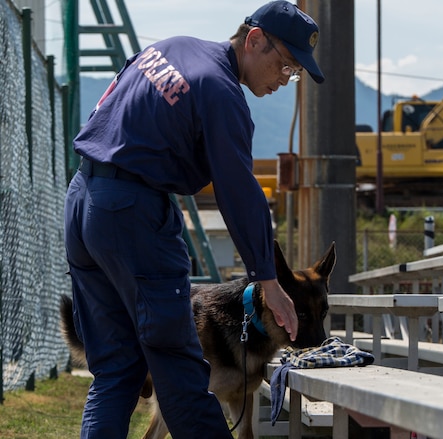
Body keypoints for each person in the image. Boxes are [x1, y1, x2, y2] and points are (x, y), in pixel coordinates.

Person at [63, 1, 324, 437]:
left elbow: (111, 105)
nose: (285, 79)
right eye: (285, 64)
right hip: (133, 212)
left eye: (294, 72)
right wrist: (268, 280)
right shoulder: (222, 92)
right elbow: (240, 192)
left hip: (84, 198)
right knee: (180, 367)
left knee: (117, 370)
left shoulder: (173, 47)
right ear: (254, 39)